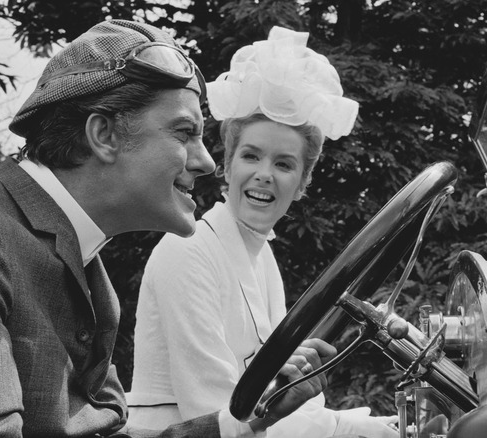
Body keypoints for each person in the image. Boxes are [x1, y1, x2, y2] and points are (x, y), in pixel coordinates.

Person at [0, 20, 335, 437]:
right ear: (103, 135)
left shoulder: (88, 269)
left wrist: (245, 421)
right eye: (184, 132)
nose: (208, 162)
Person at [127, 27, 398, 437]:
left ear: (302, 181)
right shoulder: (188, 250)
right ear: (228, 164)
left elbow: (285, 410)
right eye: (251, 156)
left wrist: (384, 430)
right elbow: (222, 415)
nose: (264, 175)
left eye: (284, 164)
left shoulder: (261, 257)